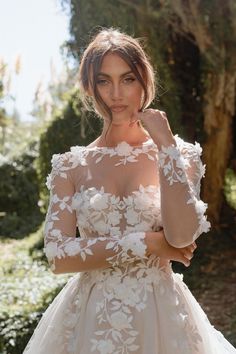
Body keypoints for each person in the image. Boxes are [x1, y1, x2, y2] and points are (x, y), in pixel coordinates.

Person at [23, 27, 236, 354]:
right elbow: (57, 255)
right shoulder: (70, 165)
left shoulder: (180, 153)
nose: (116, 93)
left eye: (128, 79)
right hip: (91, 317)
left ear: (145, 82)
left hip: (161, 314)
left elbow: (180, 239)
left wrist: (165, 145)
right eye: (103, 81)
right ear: (89, 88)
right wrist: (146, 243)